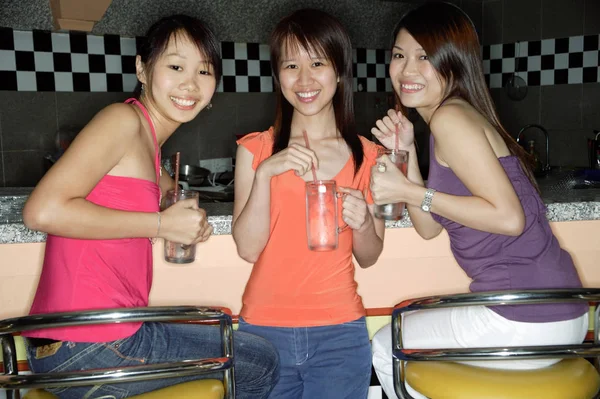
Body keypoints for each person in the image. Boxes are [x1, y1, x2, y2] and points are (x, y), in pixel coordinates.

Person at [22, 14, 279, 399]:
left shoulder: (145, 139)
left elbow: (165, 191)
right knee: (259, 362)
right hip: (90, 344)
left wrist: (186, 216)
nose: (190, 84)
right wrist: (160, 225)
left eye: (204, 72)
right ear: (142, 68)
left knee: (230, 334)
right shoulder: (121, 120)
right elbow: (42, 212)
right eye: (175, 66)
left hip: (79, 338)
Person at [368, 2, 589, 398]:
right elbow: (428, 226)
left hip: (522, 315)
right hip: (558, 311)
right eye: (400, 55)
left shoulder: (451, 119)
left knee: (390, 345)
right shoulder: (454, 118)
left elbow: (509, 218)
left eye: (424, 57)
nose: (407, 70)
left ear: (454, 63)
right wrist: (408, 158)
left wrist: (408, 192)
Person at [232, 9, 385, 399]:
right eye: (291, 65)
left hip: (340, 335)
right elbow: (249, 249)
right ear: (277, 74)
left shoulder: (369, 157)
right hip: (263, 333)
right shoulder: (256, 150)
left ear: (339, 71)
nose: (304, 80)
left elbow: (368, 257)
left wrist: (364, 224)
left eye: (317, 63)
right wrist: (266, 173)